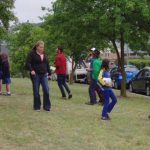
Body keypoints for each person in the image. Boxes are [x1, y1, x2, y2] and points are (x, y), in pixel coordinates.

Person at [26, 41, 51, 111]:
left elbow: (47, 64)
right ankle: (37, 107)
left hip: (44, 75)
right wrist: (31, 70)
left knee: (46, 90)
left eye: (43, 47)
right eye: (40, 47)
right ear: (37, 47)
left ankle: (46, 107)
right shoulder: (31, 53)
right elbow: (28, 63)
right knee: (36, 91)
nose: (42, 48)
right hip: (35, 75)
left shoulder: (45, 54)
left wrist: (49, 74)